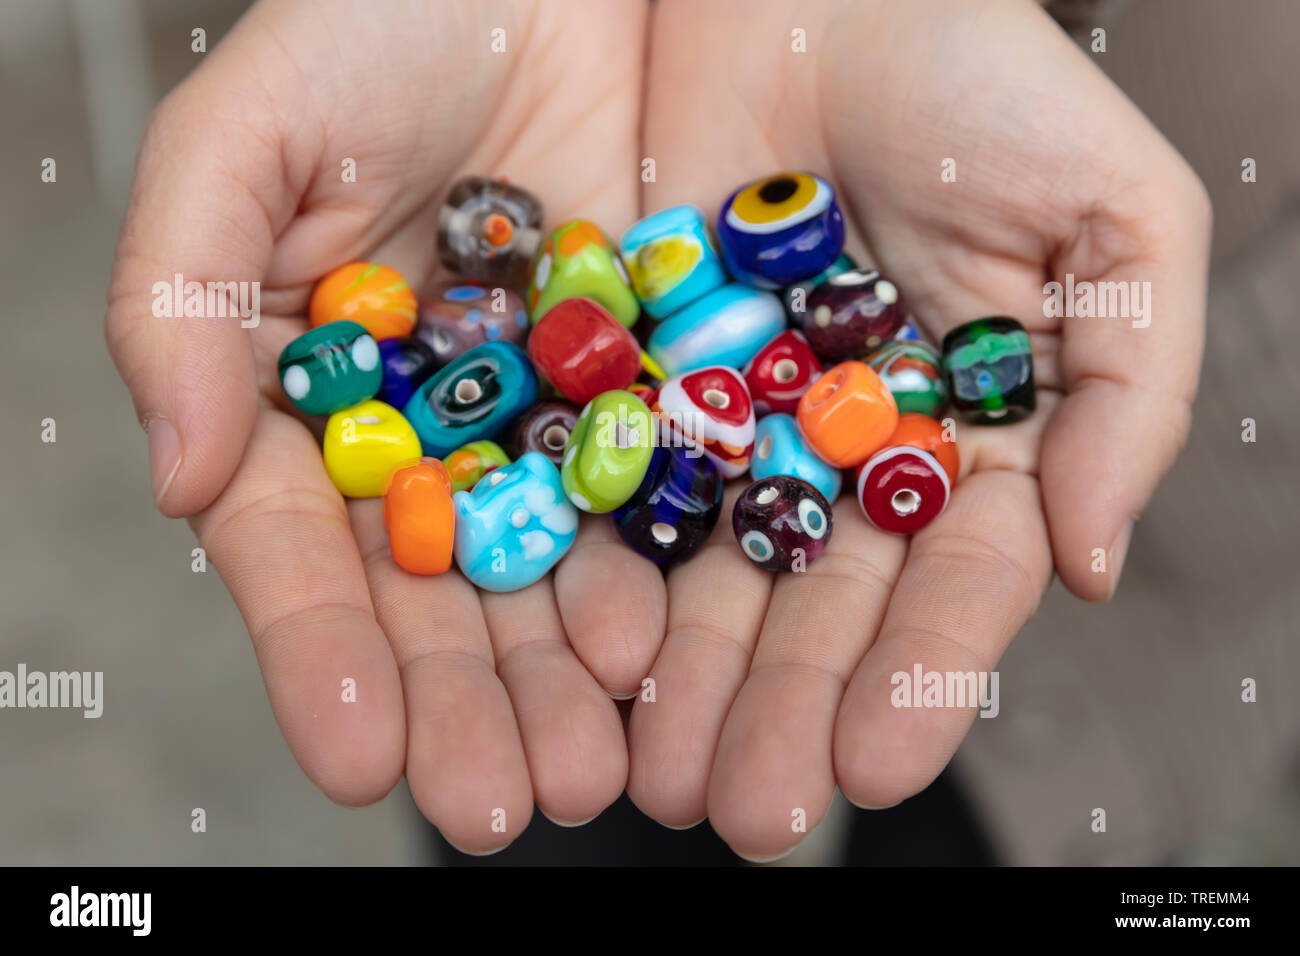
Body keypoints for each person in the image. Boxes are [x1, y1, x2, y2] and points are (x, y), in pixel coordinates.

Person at [104, 0, 1210, 861]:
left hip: (1202, 83)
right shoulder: (544, 368)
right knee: (557, 809)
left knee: (975, 807)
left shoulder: (786, 367)